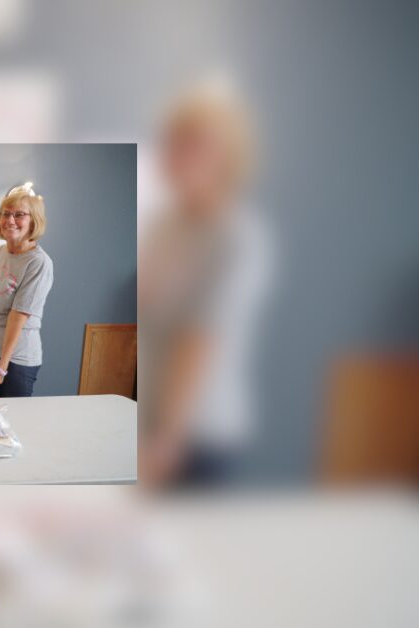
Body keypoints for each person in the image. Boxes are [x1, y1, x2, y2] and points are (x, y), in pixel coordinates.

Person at [138, 80, 271, 488]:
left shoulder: (236, 237)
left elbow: (198, 340)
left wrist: (165, 440)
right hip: (149, 419)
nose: (180, 156)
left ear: (227, 158)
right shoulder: (163, 226)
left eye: (196, 145)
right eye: (175, 142)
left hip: (199, 435)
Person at [0, 187, 54, 397]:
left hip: (15, 362)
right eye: (5, 213)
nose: (10, 220)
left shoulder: (38, 262)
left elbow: (18, 316)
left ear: (34, 220)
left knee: (12, 422)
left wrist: (2, 368)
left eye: (19, 214)